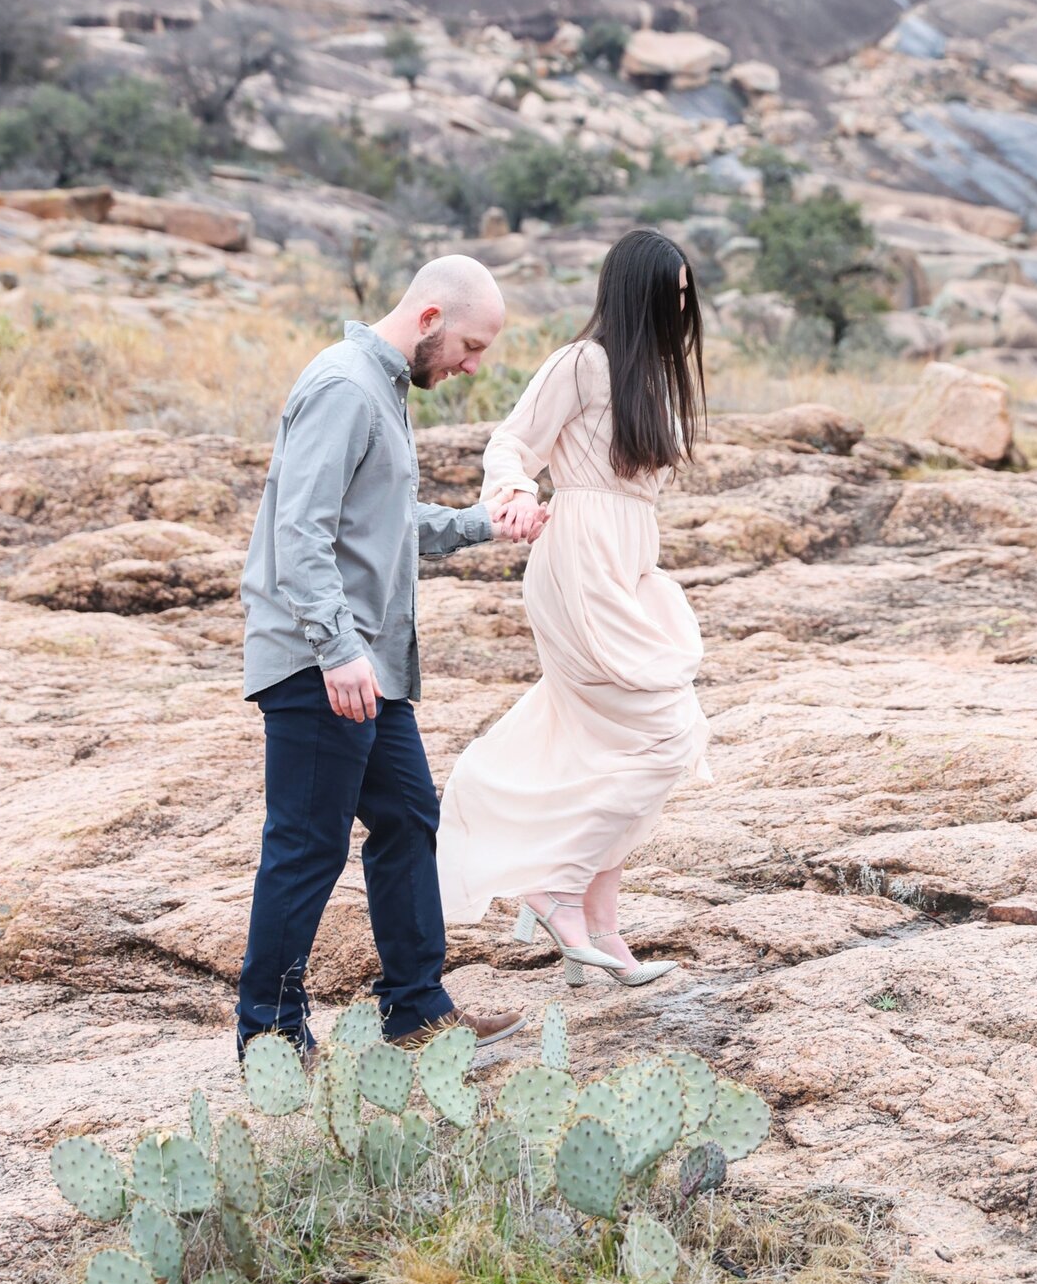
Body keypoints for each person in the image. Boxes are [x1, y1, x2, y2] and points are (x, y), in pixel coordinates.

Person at [235, 255, 537, 1059]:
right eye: (471, 345)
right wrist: (336, 649)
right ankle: (268, 1035)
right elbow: (299, 531)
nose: (474, 366)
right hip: (320, 663)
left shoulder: (383, 388)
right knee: (306, 843)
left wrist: (482, 521)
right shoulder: (344, 385)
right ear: (431, 317)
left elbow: (387, 523)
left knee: (407, 819)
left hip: (369, 668)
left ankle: (415, 1011)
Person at [436, 228, 713, 988]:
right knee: (667, 733)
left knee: (618, 747)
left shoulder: (651, 375)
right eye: (672, 295)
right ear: (637, 292)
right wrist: (516, 494)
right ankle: (556, 882)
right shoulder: (582, 362)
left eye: (687, 297)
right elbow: (511, 442)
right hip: (579, 561)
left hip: (629, 564)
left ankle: (602, 928)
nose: (681, 309)